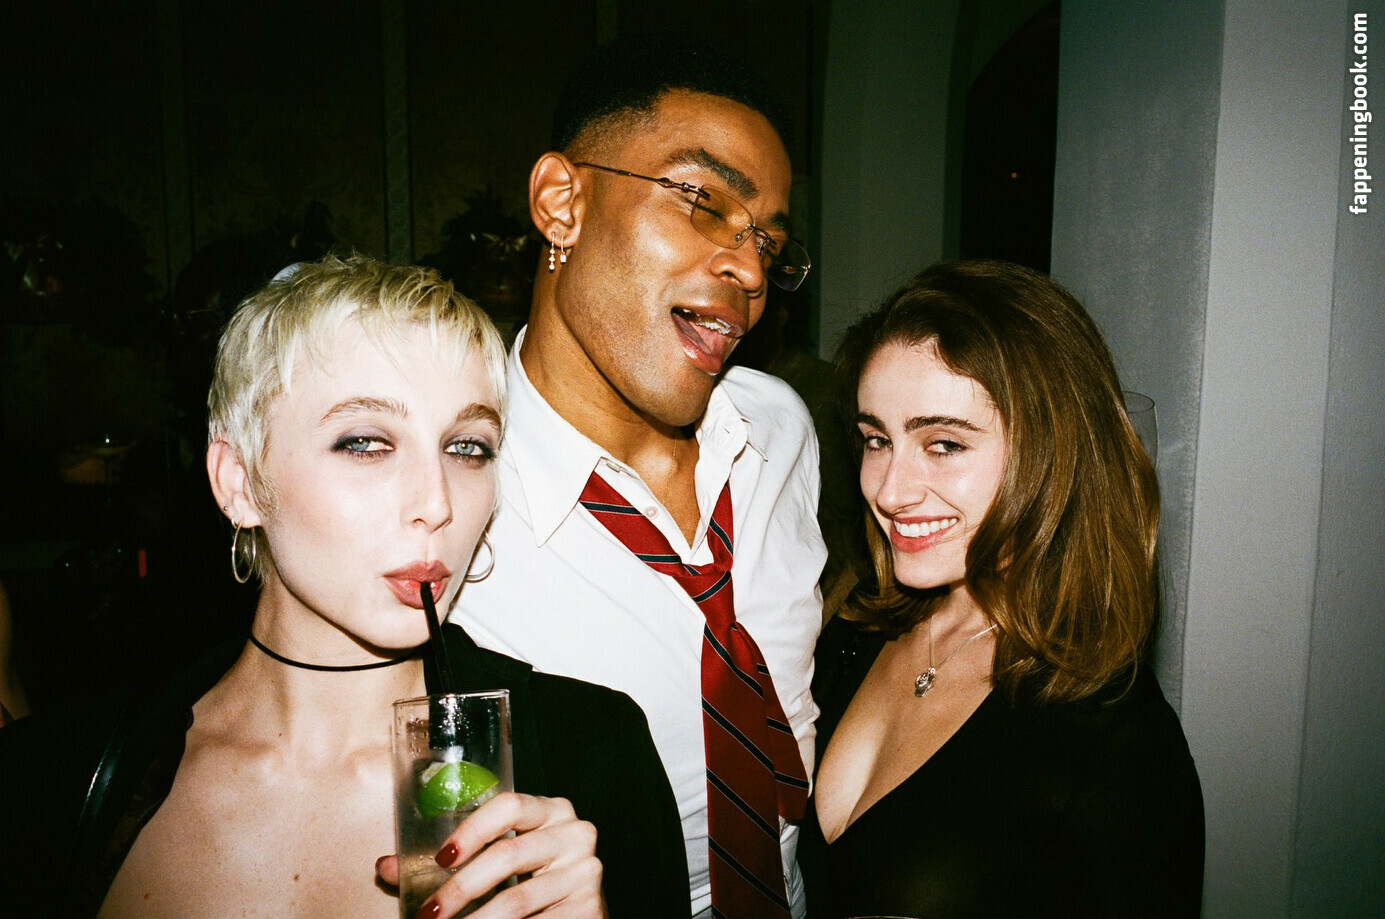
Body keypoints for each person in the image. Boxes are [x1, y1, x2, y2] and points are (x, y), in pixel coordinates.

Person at [0, 255, 686, 919]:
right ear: (239, 482)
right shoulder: (49, 779)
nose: (437, 502)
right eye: (365, 442)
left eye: (467, 446)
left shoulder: (593, 758)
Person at [453, 38, 826, 919]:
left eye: (769, 242)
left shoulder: (780, 429)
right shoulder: (449, 496)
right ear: (562, 201)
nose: (750, 271)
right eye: (703, 202)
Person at [799, 259, 1204, 917]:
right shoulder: (854, 633)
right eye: (876, 439)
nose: (889, 490)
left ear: (1053, 452)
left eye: (943, 444)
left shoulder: (1117, 742)